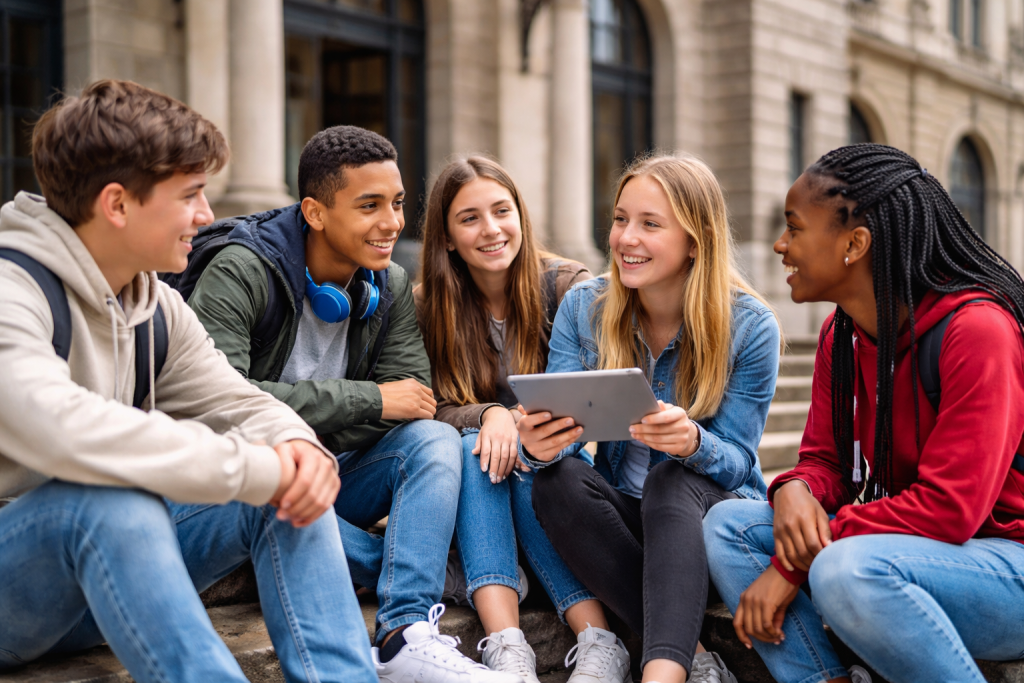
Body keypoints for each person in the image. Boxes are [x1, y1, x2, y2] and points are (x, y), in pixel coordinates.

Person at [0, 80, 377, 682]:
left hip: (109, 578)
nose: (206, 215)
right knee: (109, 498)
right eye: (190, 195)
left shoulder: (157, 306)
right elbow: (59, 428)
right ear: (117, 204)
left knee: (284, 487)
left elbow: (236, 399)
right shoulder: (12, 290)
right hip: (15, 590)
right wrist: (256, 467)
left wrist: (295, 447)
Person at [187, 125, 519, 683]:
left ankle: (405, 632)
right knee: (283, 475)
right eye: (369, 206)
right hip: (242, 478)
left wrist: (345, 419)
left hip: (336, 470)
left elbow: (413, 401)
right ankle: (409, 567)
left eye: (397, 203)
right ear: (315, 213)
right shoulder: (241, 271)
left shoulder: (387, 283)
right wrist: (369, 400)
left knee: (435, 438)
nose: (392, 222)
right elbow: (219, 403)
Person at [703, 143, 1024, 683]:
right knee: (727, 526)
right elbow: (825, 462)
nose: (781, 245)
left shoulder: (978, 331)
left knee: (845, 570)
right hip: (921, 554)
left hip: (1006, 567)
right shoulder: (843, 335)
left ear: (854, 244)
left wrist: (792, 563)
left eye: (795, 228)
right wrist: (795, 490)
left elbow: (951, 509)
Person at [517, 155, 780, 683]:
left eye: (650, 224)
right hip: (624, 534)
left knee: (670, 478)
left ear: (695, 241)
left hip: (705, 534)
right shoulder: (584, 307)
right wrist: (539, 443)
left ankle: (663, 674)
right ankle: (696, 658)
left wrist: (692, 443)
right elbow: (561, 430)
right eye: (620, 219)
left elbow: (737, 465)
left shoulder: (751, 327)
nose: (626, 238)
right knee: (555, 480)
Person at [414, 155, 593, 683]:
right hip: (478, 487)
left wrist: (517, 425)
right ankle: (509, 649)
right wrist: (488, 414)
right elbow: (427, 404)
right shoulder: (427, 306)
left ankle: (596, 640)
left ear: (520, 215)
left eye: (501, 211)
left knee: (513, 456)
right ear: (447, 238)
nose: (491, 229)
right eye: (469, 218)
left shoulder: (566, 286)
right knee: (473, 448)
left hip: (556, 471)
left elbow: (583, 394)